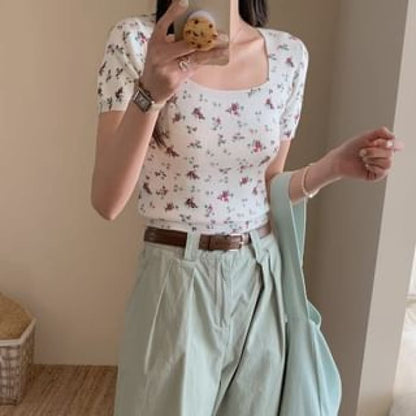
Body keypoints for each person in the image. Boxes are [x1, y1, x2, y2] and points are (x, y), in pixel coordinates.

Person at [92, 0, 405, 414]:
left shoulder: (288, 56)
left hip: (260, 279)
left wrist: (333, 166)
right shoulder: (135, 41)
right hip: (177, 281)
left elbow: (265, 189)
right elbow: (107, 200)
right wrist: (151, 92)